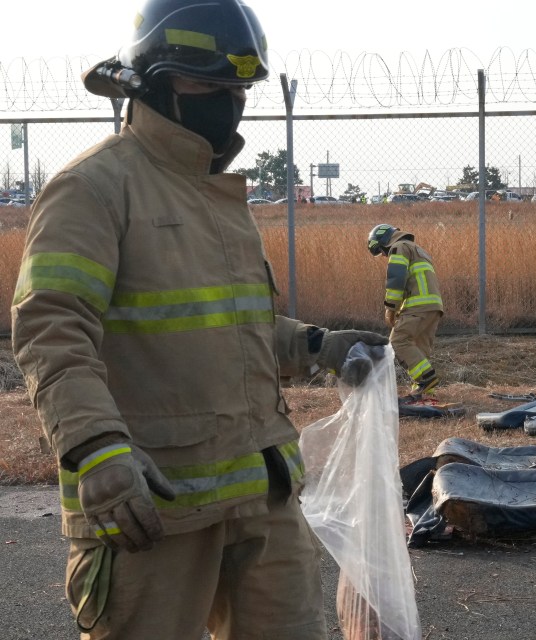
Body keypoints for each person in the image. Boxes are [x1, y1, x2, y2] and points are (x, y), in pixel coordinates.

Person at [10, 1, 387, 638]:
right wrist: (96, 450)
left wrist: (318, 345)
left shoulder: (215, 192)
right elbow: (52, 328)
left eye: (239, 88)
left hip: (261, 497)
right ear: (152, 79)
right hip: (153, 508)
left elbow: (228, 330)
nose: (229, 102)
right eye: (209, 85)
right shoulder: (94, 188)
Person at [367, 224, 444, 401]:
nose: (384, 255)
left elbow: (396, 279)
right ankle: (424, 392)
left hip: (418, 305)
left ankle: (427, 378)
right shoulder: (418, 250)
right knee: (419, 347)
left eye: (382, 250)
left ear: (385, 240)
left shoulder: (399, 247)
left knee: (398, 341)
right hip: (434, 306)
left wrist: (390, 309)